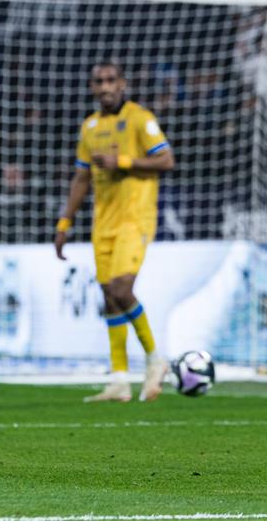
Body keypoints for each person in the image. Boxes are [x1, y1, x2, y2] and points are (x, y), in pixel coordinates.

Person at [54, 62, 175, 402]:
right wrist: (64, 223)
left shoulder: (140, 119)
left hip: (134, 219)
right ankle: (120, 379)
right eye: (99, 82)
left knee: (122, 290)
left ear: (122, 83)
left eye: (111, 80)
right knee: (109, 297)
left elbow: (166, 160)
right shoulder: (90, 126)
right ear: (92, 87)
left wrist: (123, 162)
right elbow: (81, 177)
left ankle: (155, 358)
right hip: (102, 222)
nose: (105, 87)